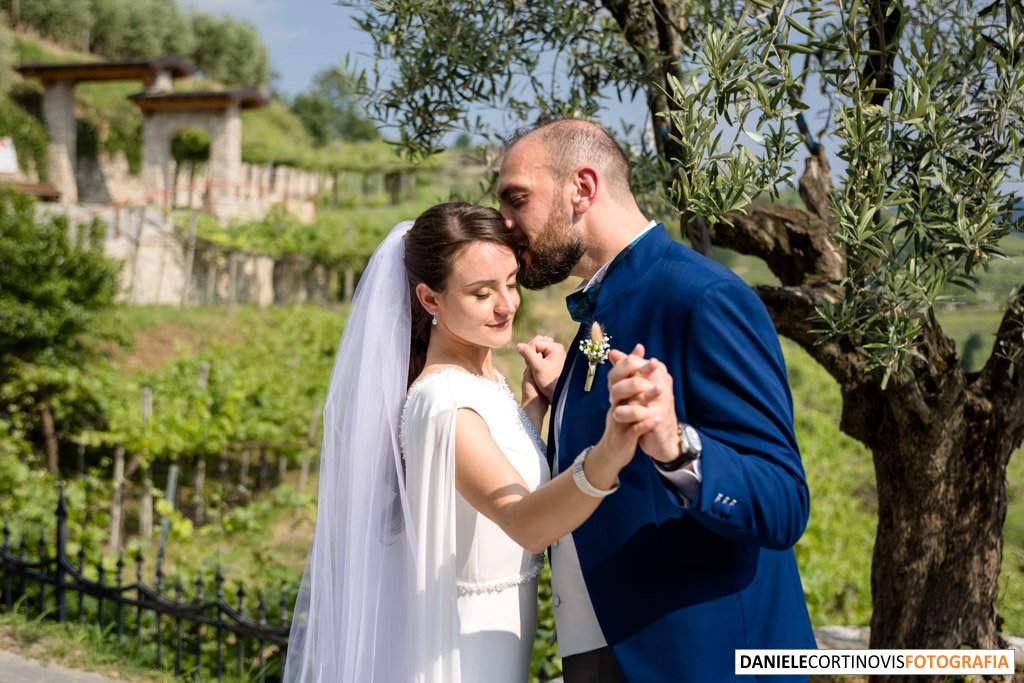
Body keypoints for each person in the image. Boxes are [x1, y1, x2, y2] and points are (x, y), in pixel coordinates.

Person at [282, 202, 661, 683]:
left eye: (511, 283)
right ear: (430, 299)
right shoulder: (444, 405)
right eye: (482, 293)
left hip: (497, 646)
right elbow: (524, 523)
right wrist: (610, 450)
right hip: (464, 657)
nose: (506, 305)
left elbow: (487, 479)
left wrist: (533, 409)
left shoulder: (484, 383)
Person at [500, 119, 817, 682]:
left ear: (582, 188)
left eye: (516, 198)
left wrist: (677, 448)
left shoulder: (704, 297)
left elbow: (784, 502)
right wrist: (565, 396)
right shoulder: (600, 314)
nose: (503, 220)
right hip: (603, 652)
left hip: (702, 662)